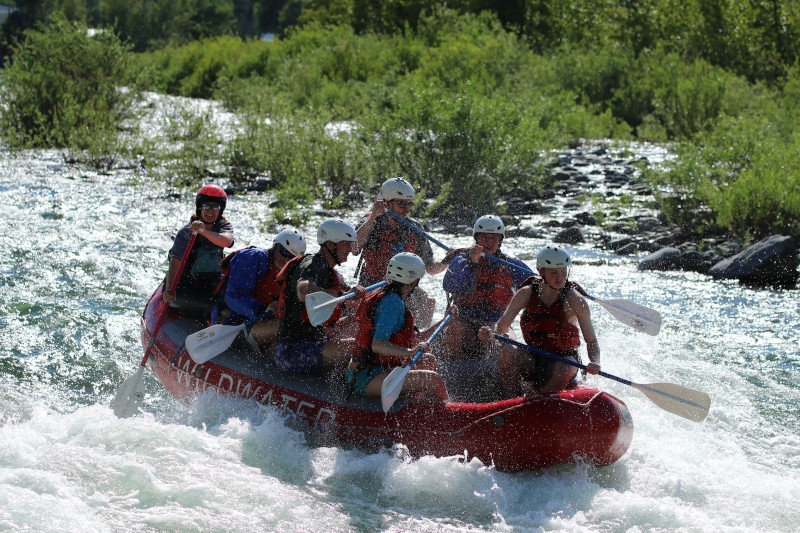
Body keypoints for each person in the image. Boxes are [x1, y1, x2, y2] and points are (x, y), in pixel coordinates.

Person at [477, 245, 601, 396]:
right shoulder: (526, 293)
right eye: (554, 272)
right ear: (541, 272)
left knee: (564, 367)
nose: (560, 277)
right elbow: (501, 327)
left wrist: (595, 361)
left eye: (563, 271)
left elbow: (592, 341)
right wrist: (490, 333)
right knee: (507, 352)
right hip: (534, 357)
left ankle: (542, 403)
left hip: (564, 360)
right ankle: (512, 400)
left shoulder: (575, 300)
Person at [346, 252, 452, 404]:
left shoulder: (387, 296)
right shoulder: (393, 303)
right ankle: (450, 419)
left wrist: (444, 322)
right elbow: (377, 345)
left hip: (374, 369)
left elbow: (411, 340)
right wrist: (409, 352)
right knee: (434, 380)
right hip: (366, 376)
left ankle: (415, 407)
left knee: (428, 360)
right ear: (413, 280)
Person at [274, 219, 366, 374]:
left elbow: (351, 301)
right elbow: (303, 291)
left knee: (359, 324)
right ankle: (355, 386)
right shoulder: (312, 264)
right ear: (330, 244)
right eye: (346, 243)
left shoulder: (332, 273)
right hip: (291, 353)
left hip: (316, 342)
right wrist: (342, 296)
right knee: (355, 346)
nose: (350, 249)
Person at [354, 177, 447, 329]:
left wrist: (448, 261)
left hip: (405, 288)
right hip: (372, 284)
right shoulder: (371, 222)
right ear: (386, 203)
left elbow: (430, 268)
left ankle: (414, 340)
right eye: (402, 204)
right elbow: (354, 248)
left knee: (428, 303)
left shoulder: (414, 228)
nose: (406, 209)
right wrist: (372, 217)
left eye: (409, 204)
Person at [440, 215, 531, 361]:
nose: (489, 242)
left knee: (509, 347)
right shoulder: (462, 260)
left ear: (500, 240)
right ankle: (450, 376)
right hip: (465, 321)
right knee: (454, 330)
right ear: (477, 239)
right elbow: (451, 286)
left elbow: (536, 284)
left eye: (494, 237)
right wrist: (472, 265)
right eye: (484, 237)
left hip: (497, 325)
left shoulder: (511, 265)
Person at [219, 228, 307, 350]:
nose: (285, 259)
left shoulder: (293, 274)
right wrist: (262, 309)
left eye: (291, 257)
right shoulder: (252, 258)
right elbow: (232, 296)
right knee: (289, 325)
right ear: (275, 245)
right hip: (231, 325)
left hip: (261, 326)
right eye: (283, 252)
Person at [164, 184, 234, 315]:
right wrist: (169, 289)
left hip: (211, 284)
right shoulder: (187, 232)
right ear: (200, 207)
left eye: (215, 207)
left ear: (220, 210)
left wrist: (204, 232)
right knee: (195, 303)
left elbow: (227, 241)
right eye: (207, 206)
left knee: (229, 306)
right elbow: (176, 262)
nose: (210, 211)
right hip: (187, 284)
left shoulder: (223, 226)